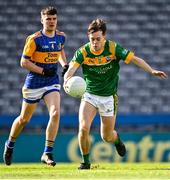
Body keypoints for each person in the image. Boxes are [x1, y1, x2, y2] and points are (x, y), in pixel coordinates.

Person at [63, 19, 168, 169]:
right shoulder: (83, 52)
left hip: (108, 98)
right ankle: (85, 163)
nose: (95, 43)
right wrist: (66, 80)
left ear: (104, 36)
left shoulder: (113, 48)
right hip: (90, 95)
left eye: (98, 39)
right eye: (92, 39)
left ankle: (117, 140)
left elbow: (135, 59)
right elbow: (71, 69)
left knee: (106, 137)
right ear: (88, 38)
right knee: (83, 128)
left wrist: (151, 70)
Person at [3, 6, 69, 166]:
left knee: (55, 113)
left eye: (54, 19)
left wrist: (64, 64)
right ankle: (10, 144)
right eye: (48, 19)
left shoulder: (61, 36)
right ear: (42, 20)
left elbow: (60, 51)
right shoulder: (34, 39)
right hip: (34, 82)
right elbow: (23, 61)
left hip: (51, 81)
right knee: (24, 119)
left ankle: (47, 153)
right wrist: (42, 70)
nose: (51, 22)